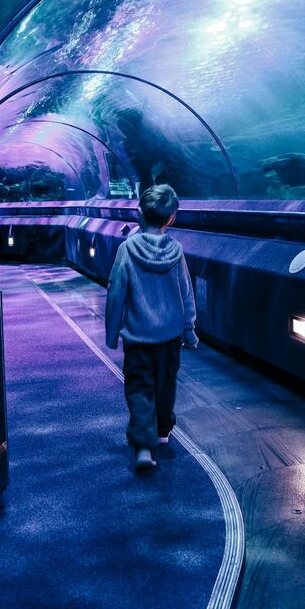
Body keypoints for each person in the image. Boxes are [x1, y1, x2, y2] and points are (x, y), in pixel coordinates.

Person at [105, 184, 198, 471]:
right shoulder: (176, 250)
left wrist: (112, 333)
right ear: (171, 219)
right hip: (169, 336)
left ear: (139, 213)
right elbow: (186, 291)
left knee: (140, 387)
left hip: (138, 336)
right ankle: (162, 431)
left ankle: (144, 447)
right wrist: (189, 327)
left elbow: (116, 291)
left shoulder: (127, 250)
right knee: (165, 383)